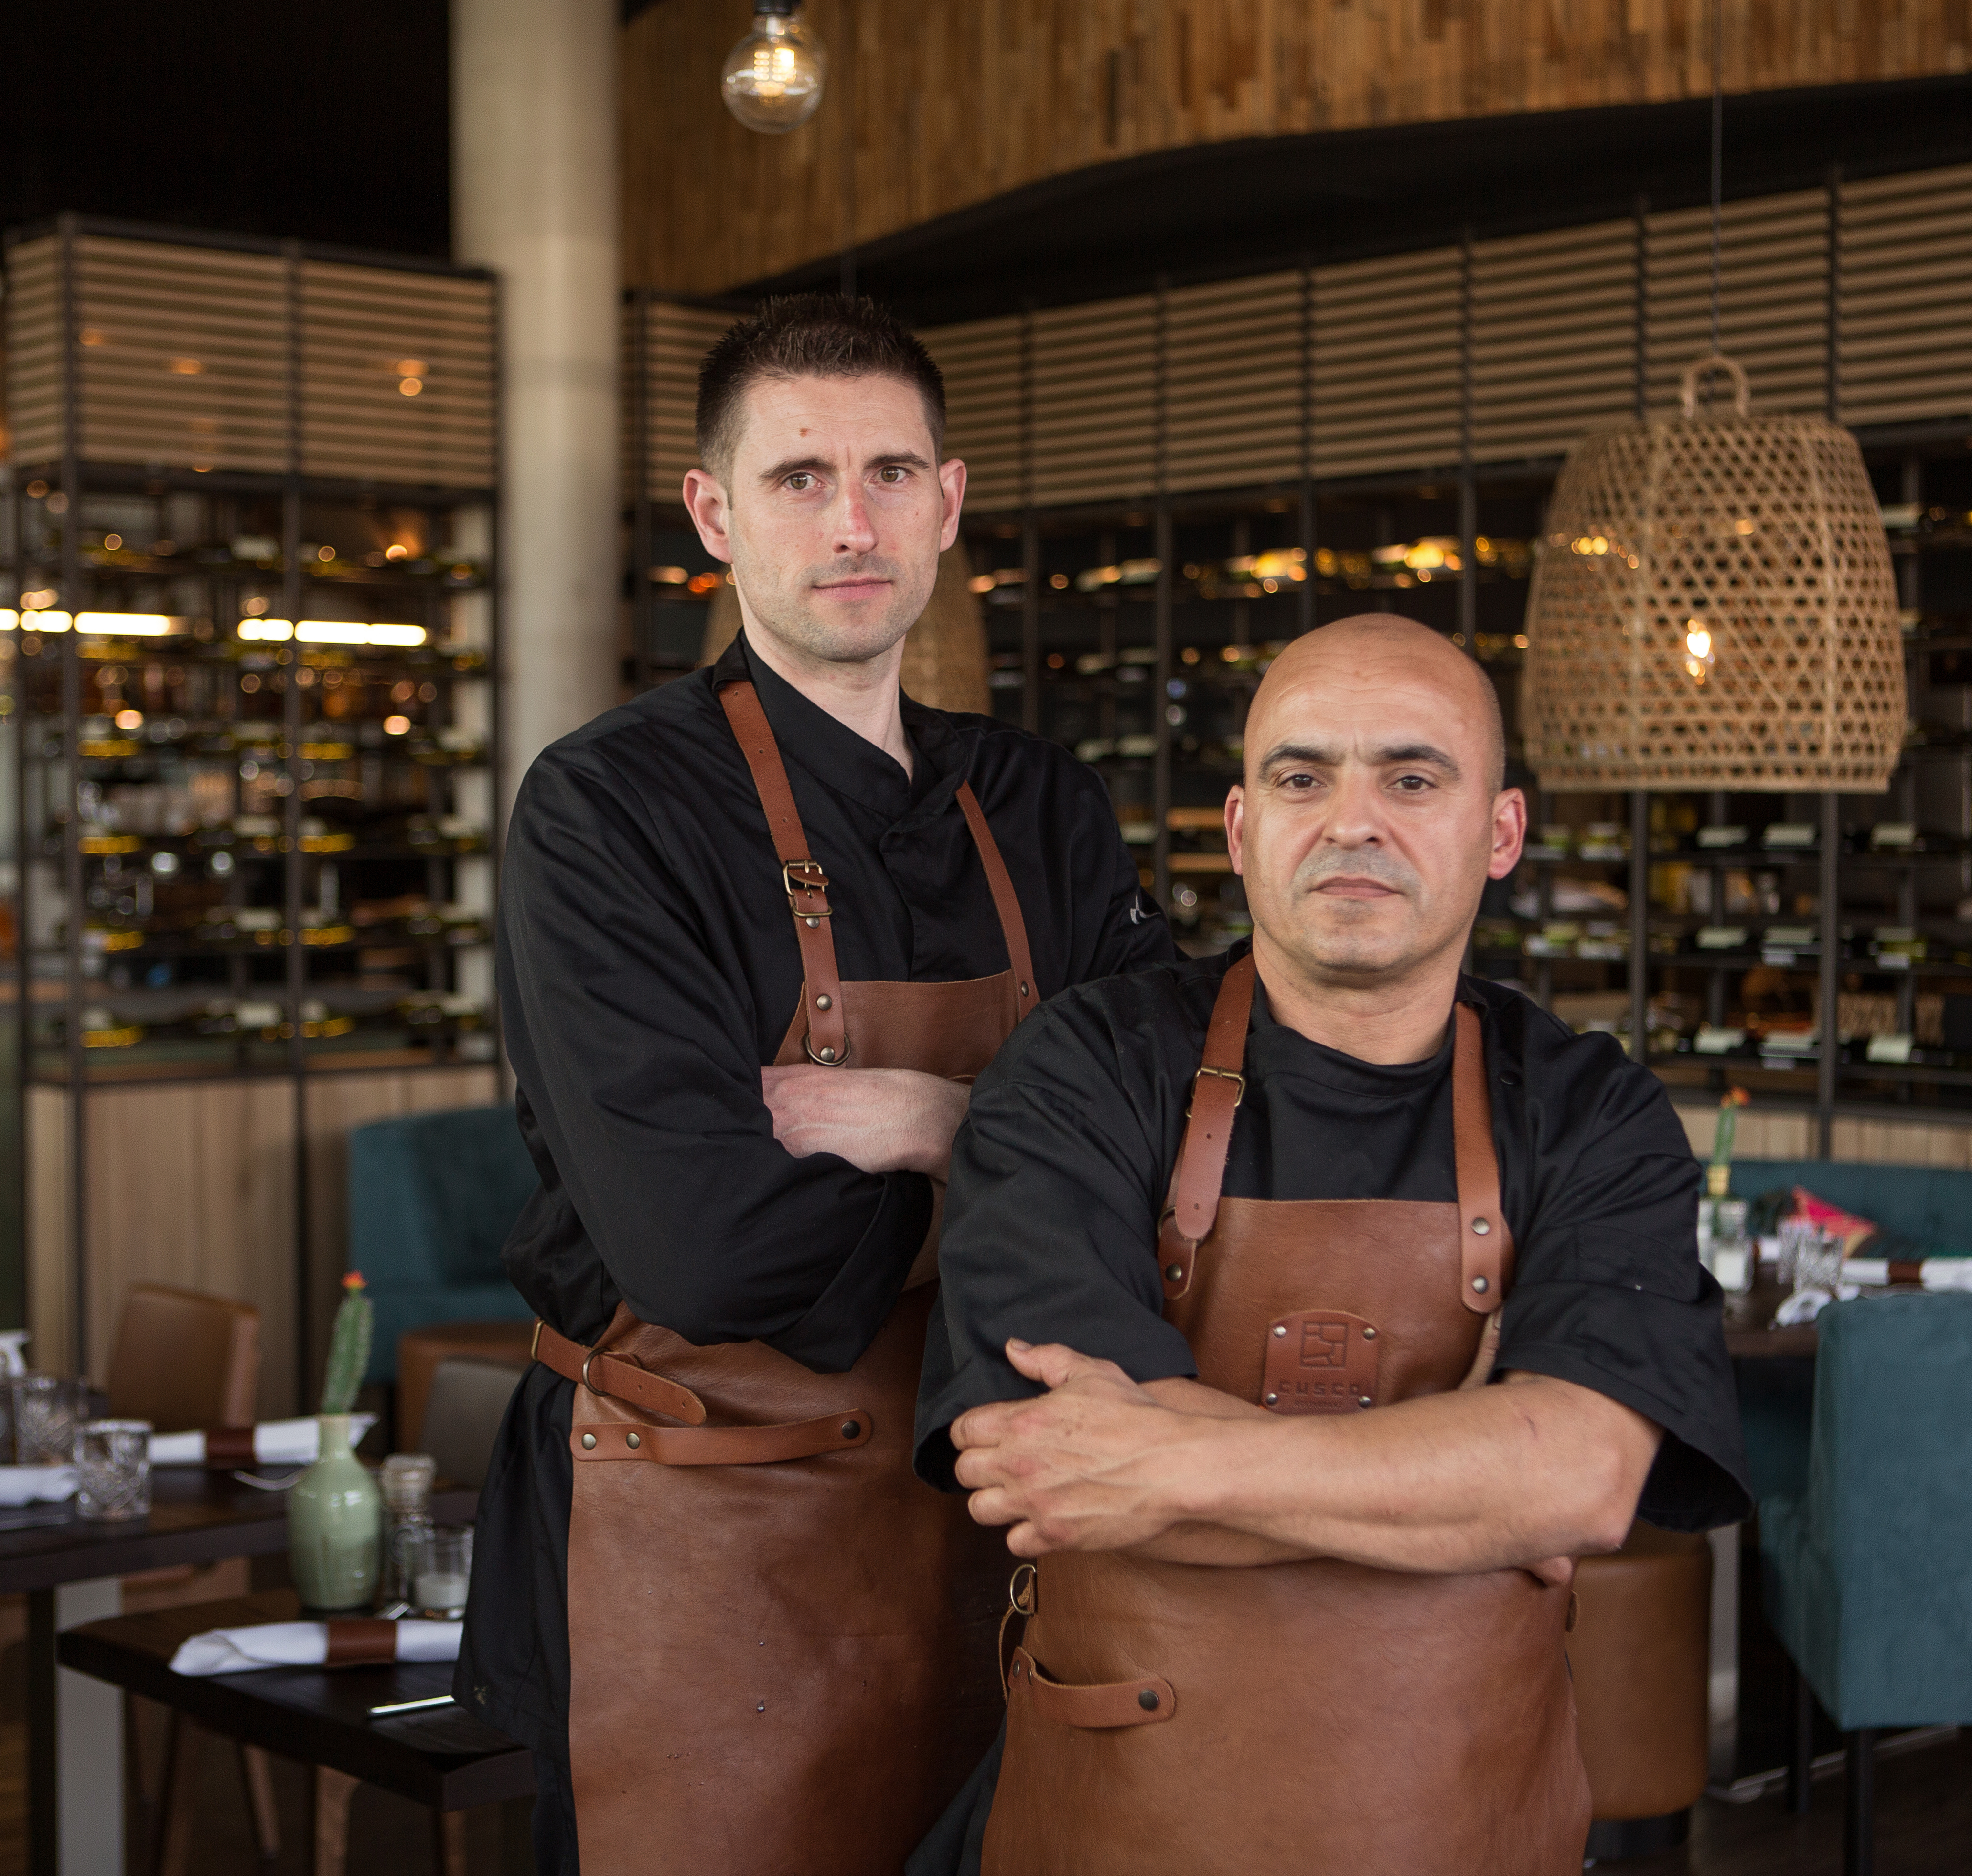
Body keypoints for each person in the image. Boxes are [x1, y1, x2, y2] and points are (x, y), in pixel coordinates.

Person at [454, 294, 1178, 1876]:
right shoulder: (606, 815)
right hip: (707, 1531)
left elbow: (1184, 1161)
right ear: (714, 515)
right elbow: (707, 1252)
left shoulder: (1041, 805)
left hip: (1008, 1538)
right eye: (798, 479)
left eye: (889, 474)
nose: (852, 522)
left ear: (948, 503)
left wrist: (937, 1124)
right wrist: (1034, 1183)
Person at [906, 614, 1752, 1875]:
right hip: (1114, 1827)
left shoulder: (1587, 1110)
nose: (1352, 820)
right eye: (1303, 777)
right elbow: (1052, 1469)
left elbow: (1578, 1481)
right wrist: (1470, 1486)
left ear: (1502, 835)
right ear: (1243, 832)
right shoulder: (1086, 1069)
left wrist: (1173, 1466)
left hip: (1462, 1822)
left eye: (1412, 778)